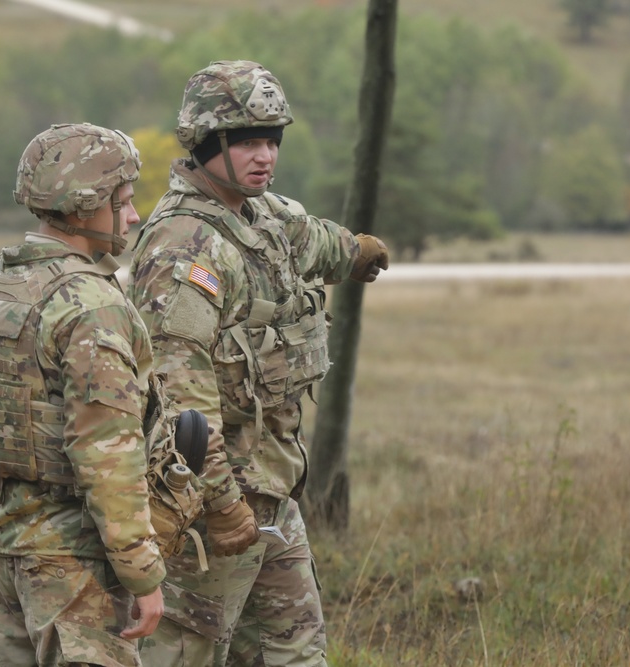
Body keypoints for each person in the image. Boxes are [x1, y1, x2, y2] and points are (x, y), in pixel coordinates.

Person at [127, 60, 389, 666]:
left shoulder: (261, 214)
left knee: (296, 654)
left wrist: (356, 252)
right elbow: (180, 410)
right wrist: (221, 507)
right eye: (246, 140)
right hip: (206, 510)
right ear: (205, 143)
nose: (264, 154)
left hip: (271, 497)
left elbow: (310, 237)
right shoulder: (183, 249)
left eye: (272, 139)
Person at [0, 122, 165, 667]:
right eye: (125, 201)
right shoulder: (89, 304)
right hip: (75, 565)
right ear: (87, 206)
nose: (134, 216)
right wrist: (142, 574)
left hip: (8, 553)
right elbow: (107, 455)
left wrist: (25, 487)